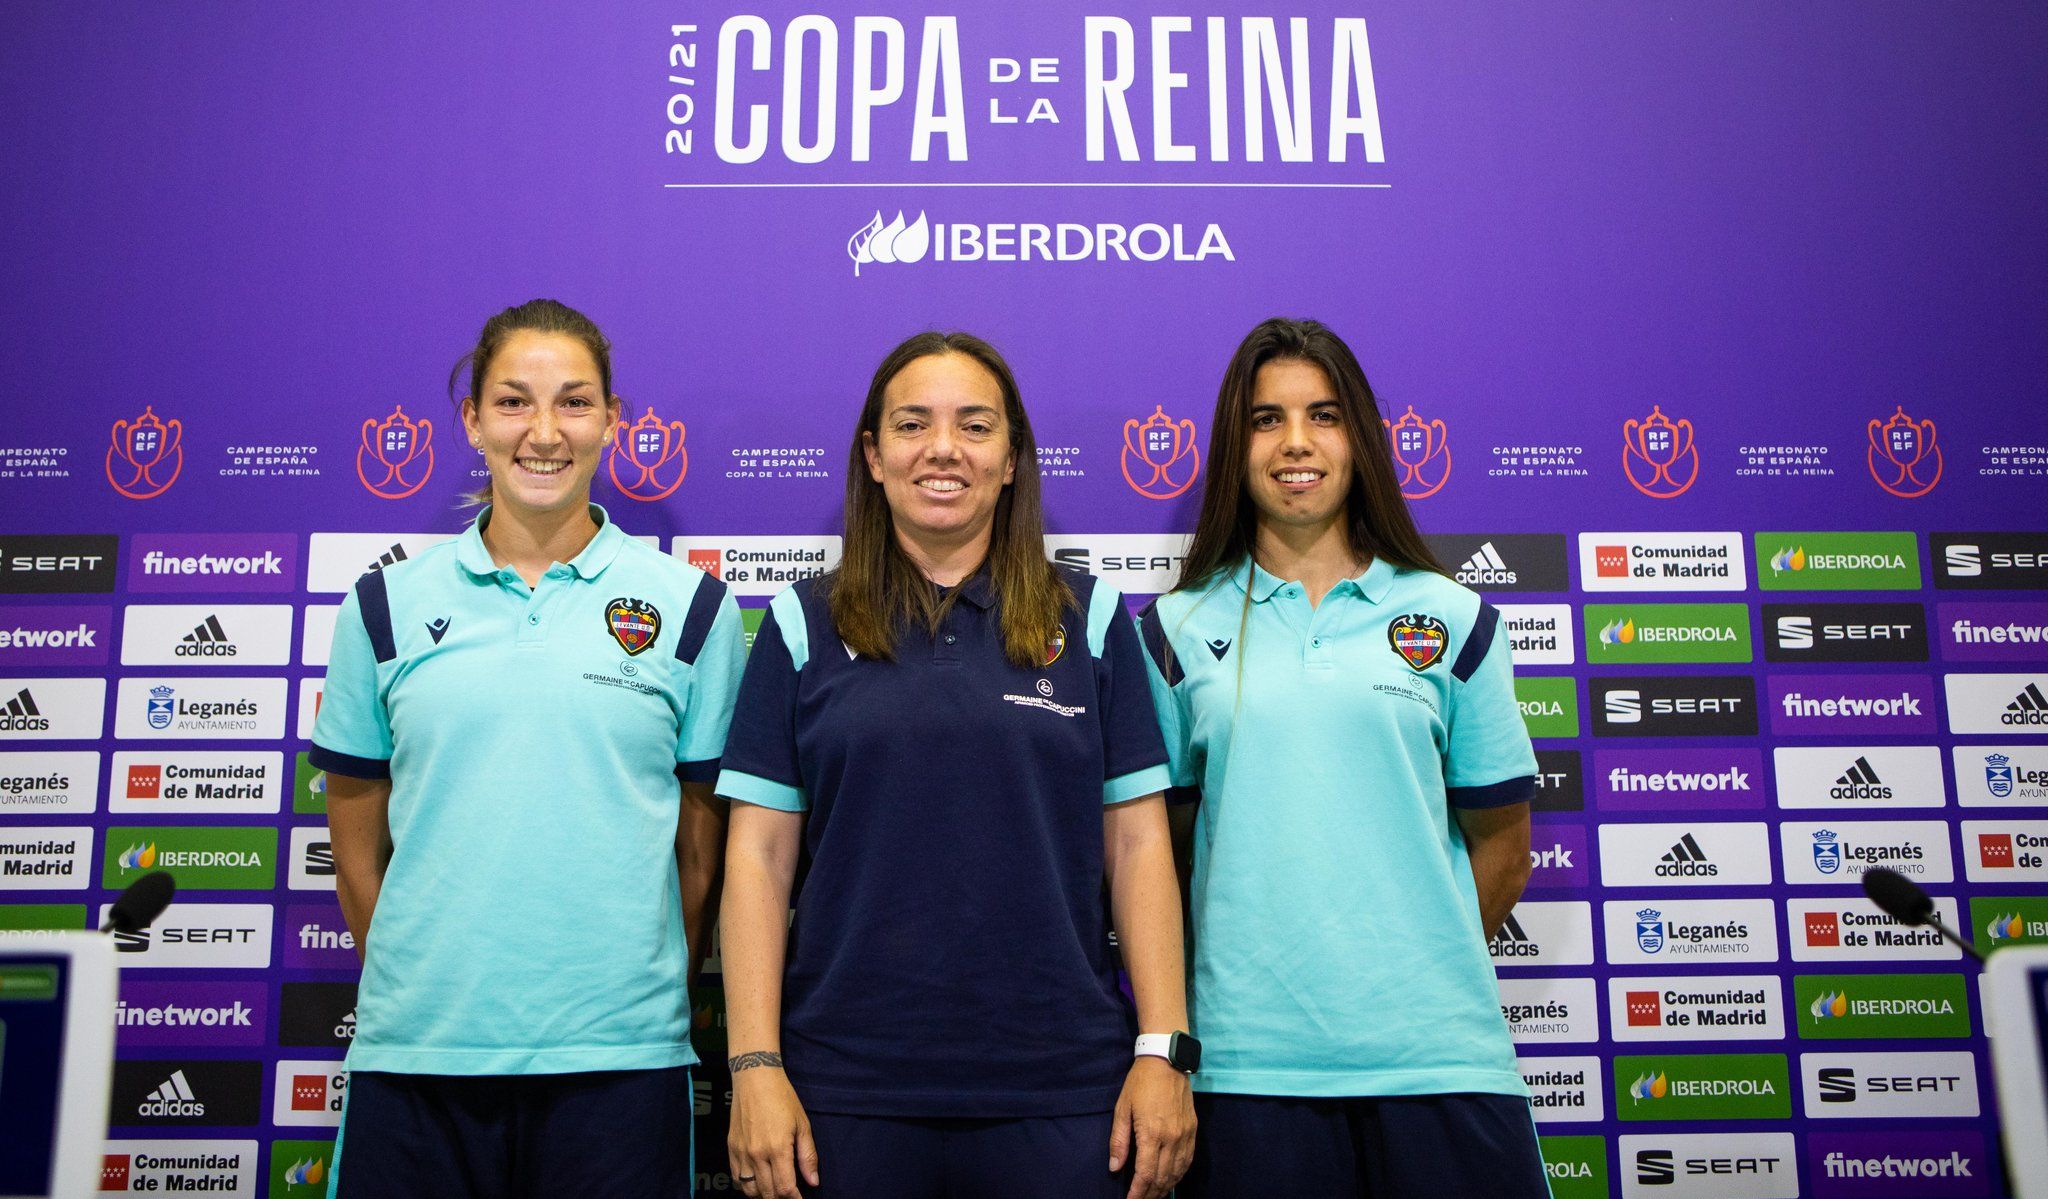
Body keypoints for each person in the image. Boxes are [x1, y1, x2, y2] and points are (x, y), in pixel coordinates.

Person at [715, 331, 1197, 1199]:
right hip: (842, 1094)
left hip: (1063, 1087)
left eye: (975, 426)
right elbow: (756, 860)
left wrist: (1162, 1049)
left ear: (1011, 459)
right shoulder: (801, 622)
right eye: (912, 425)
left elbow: (1136, 843)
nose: (943, 449)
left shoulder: (1086, 616)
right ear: (873, 455)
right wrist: (753, 1063)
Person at [310, 299, 746, 1199]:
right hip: (420, 1056)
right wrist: (433, 986)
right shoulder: (382, 607)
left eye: (575, 402)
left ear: (613, 421)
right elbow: (357, 850)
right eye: (513, 402)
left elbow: (701, 859)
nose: (544, 432)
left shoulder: (694, 609)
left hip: (621, 1059)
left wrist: (629, 987)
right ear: (471, 420)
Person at [1137, 317, 1547, 1197]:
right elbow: (1155, 861)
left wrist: (1396, 971)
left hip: (1439, 1062)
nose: (1295, 442)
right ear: (1234, 446)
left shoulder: (1454, 617)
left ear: (1358, 437)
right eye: (1265, 419)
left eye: (1323, 415)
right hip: (1247, 1070)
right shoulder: (1173, 629)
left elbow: (1504, 848)